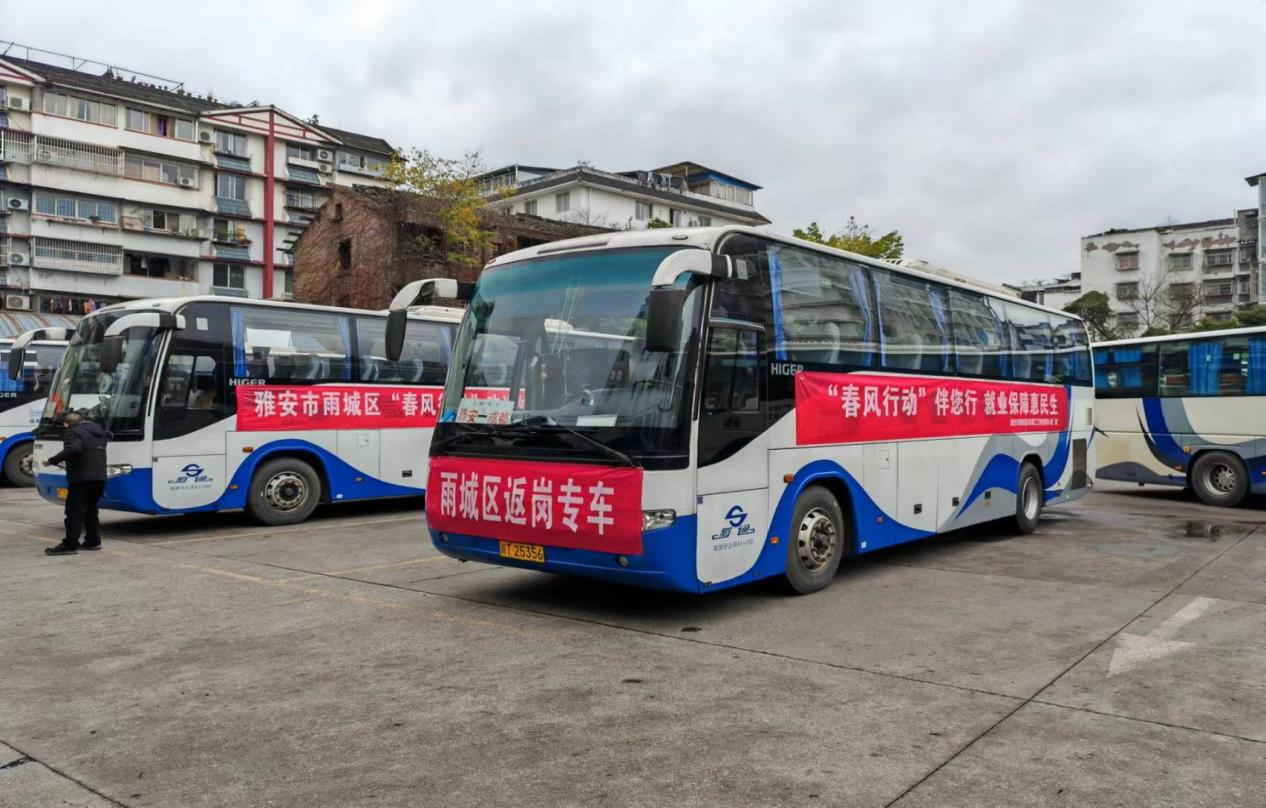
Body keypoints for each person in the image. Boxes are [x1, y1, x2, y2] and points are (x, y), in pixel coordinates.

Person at [42, 411, 108, 556]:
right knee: (91, 511)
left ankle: (70, 545)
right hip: (99, 478)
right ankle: (93, 541)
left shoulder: (73, 432)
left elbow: (74, 448)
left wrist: (52, 460)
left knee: (73, 513)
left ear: (66, 424)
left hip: (82, 479)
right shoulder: (98, 432)